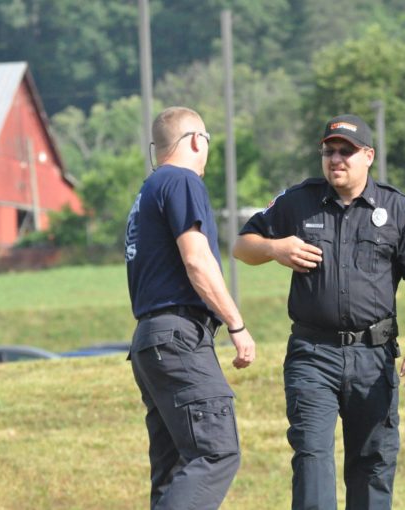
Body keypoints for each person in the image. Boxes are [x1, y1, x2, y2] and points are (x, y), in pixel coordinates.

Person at [233, 113, 405, 509]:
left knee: (372, 463)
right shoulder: (298, 202)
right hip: (313, 354)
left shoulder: (396, 208)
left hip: (374, 356)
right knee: (311, 458)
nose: (336, 159)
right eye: (329, 151)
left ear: (368, 156)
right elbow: (243, 245)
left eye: (347, 151)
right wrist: (276, 249)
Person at [124, 106, 256, 510]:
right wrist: (236, 323)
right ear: (197, 141)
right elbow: (197, 259)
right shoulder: (182, 181)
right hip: (179, 338)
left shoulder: (148, 190)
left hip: (151, 341)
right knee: (215, 452)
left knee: (175, 467)